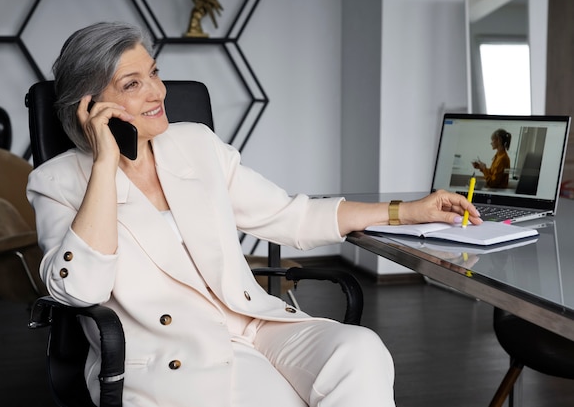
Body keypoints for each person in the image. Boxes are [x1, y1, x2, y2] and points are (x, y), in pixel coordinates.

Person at [26, 22, 482, 407]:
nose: (158, 92)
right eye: (133, 84)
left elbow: (291, 215)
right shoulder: (57, 182)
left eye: (154, 73)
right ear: (89, 107)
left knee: (360, 351)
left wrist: (407, 211)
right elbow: (78, 289)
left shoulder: (195, 144)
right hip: (174, 352)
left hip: (255, 323)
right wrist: (105, 164)